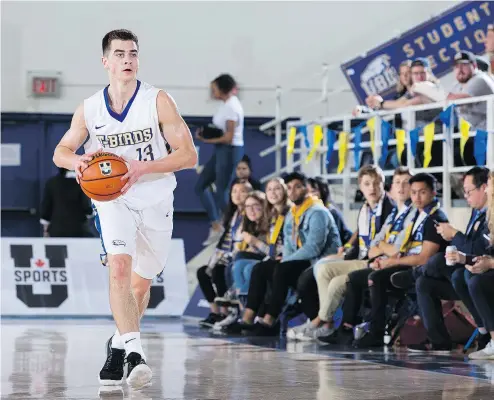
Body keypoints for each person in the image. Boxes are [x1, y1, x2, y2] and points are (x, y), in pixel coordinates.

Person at [52, 29, 197, 389]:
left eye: (133, 53)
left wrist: (142, 168)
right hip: (112, 197)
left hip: (156, 196)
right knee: (119, 266)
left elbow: (189, 155)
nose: (128, 60)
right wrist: (78, 162)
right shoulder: (90, 108)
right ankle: (135, 351)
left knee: (141, 285)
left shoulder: (158, 100)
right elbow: (61, 152)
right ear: (106, 62)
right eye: (119, 54)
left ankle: (117, 344)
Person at [291, 167, 411, 342]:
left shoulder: (389, 207)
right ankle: (326, 323)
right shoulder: (367, 208)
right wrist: (348, 247)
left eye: (376, 183)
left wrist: (380, 248)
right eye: (367, 184)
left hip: (376, 261)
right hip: (365, 256)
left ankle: (320, 322)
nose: (372, 188)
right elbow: (368, 239)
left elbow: (390, 247)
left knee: (333, 279)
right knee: (321, 268)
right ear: (360, 187)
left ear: (384, 185)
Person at [345, 173, 448, 348]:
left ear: (433, 193)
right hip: (406, 263)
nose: (416, 197)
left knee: (377, 278)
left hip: (422, 270)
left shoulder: (435, 217)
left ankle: (376, 332)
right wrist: (386, 260)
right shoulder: (417, 215)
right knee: (356, 277)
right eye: (413, 192)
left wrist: (391, 263)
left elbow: (424, 258)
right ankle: (348, 328)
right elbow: (404, 247)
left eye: (422, 192)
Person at [234, 171, 341, 336]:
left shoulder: (317, 212)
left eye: (297, 187)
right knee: (261, 268)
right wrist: (285, 258)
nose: (292, 191)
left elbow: (313, 248)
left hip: (319, 260)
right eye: (289, 188)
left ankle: (270, 320)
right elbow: (290, 246)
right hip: (299, 260)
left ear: (306, 189)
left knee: (282, 269)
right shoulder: (292, 213)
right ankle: (248, 317)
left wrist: (286, 260)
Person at [406, 167, 490, 353]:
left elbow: (478, 251)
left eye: (468, 192)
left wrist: (454, 235)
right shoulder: (476, 212)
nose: (466, 197)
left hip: (480, 274)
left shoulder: (489, 213)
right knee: (424, 283)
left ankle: (411, 275)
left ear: (484, 187)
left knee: (440, 262)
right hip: (465, 274)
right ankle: (439, 342)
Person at [195, 74, 245, 246]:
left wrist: (207, 140)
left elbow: (229, 137)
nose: (212, 91)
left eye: (214, 88)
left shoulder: (232, 106)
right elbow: (222, 131)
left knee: (222, 192)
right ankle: (216, 225)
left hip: (230, 150)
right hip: (220, 150)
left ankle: (236, 225)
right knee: (200, 186)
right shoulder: (225, 105)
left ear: (222, 89)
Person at [197, 179, 252, 327]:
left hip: (240, 256)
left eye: (242, 191)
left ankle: (226, 312)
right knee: (203, 272)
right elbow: (224, 241)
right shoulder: (232, 215)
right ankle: (216, 312)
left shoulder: (251, 214)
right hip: (226, 256)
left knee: (219, 270)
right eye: (234, 191)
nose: (238, 195)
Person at [40, 168, 94, 237]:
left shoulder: (52, 182)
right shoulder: (82, 183)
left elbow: (46, 207)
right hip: (78, 228)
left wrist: (45, 228)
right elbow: (86, 207)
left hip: (56, 229)